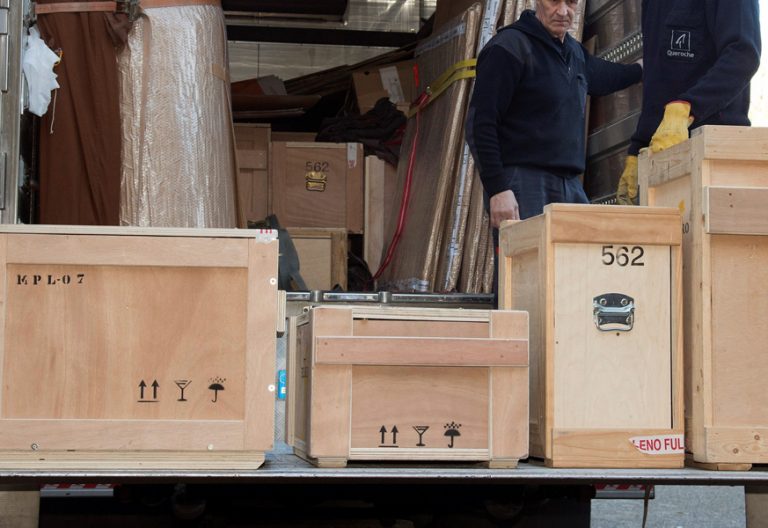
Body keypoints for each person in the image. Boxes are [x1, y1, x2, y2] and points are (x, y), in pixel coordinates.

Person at [465, 0, 642, 293]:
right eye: (554, 1)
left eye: (571, 2)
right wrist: (497, 189)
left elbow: (605, 76)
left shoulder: (572, 52)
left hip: (570, 186)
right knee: (525, 283)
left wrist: (645, 69)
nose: (563, 12)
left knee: (579, 280)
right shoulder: (509, 47)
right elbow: (480, 125)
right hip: (523, 185)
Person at [616, 0, 761, 205]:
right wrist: (638, 145)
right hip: (662, 153)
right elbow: (656, 81)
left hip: (713, 149)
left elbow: (743, 55)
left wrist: (689, 107)